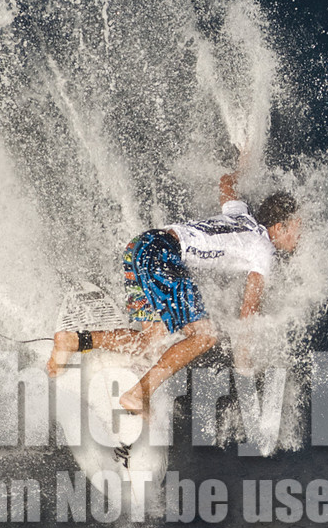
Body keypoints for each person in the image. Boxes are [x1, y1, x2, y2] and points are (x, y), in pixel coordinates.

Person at [47, 166, 301, 417]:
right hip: (162, 255)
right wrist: (244, 368)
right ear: (279, 227)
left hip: (141, 245)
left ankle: (73, 340)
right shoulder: (264, 250)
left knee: (148, 342)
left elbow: (226, 183)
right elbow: (249, 311)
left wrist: (245, 159)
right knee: (205, 336)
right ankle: (138, 394)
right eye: (298, 227)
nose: (301, 236)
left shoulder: (240, 214)